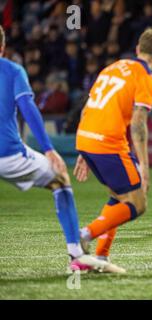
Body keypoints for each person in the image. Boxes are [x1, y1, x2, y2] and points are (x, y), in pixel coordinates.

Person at [0, 26, 115, 273]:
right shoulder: (11, 70)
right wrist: (49, 149)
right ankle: (76, 253)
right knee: (61, 179)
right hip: (8, 154)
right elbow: (28, 109)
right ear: (3, 47)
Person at [74, 28, 152, 268]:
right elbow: (138, 124)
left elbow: (88, 107)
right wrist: (145, 167)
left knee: (118, 195)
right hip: (108, 143)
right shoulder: (146, 77)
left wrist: (83, 150)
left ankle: (101, 257)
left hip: (86, 138)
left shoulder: (113, 67)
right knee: (138, 203)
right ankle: (83, 236)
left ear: (138, 48)